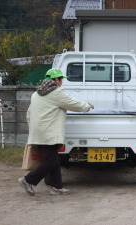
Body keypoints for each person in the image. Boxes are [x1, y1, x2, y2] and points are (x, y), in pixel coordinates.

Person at [18, 68, 94, 196]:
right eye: (61, 79)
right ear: (56, 80)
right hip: (49, 133)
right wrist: (87, 106)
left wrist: (34, 128)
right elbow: (72, 104)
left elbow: (29, 114)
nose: (62, 82)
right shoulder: (56, 93)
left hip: (39, 132)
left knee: (53, 159)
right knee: (51, 160)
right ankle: (27, 180)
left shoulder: (36, 94)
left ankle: (56, 187)